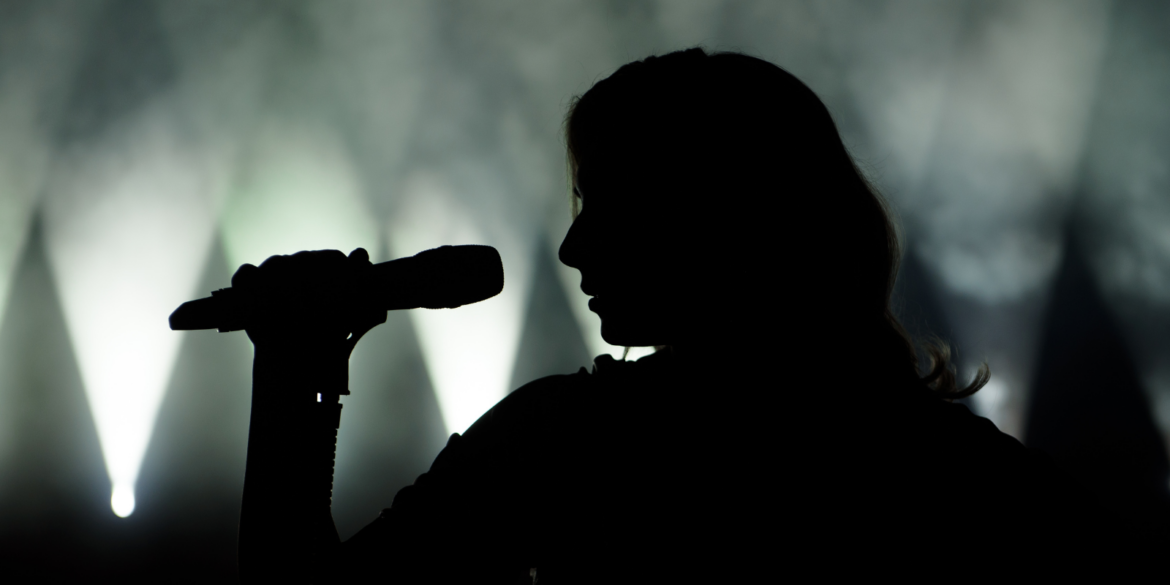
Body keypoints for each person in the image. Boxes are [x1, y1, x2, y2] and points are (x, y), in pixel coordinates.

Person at [232, 48, 1114, 583]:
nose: (573, 249)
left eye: (607, 203)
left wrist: (295, 370)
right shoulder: (959, 474)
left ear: (716, 217)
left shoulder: (574, 441)